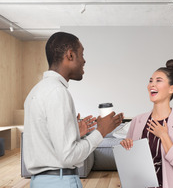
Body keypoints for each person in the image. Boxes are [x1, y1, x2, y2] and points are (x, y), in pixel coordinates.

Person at [23, 32, 124, 188]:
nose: (84, 60)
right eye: (81, 54)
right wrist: (101, 131)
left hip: (40, 182)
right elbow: (69, 157)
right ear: (70, 55)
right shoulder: (58, 92)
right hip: (60, 182)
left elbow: (48, 143)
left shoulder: (35, 92)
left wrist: (74, 134)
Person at [121, 59, 173, 188]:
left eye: (158, 81)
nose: (151, 85)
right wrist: (126, 148)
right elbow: (130, 164)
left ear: (172, 88)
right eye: (150, 81)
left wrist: (164, 136)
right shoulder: (137, 121)